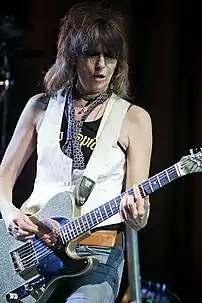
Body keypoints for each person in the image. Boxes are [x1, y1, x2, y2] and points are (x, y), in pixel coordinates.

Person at [0, 1, 152, 302]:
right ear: (72, 57)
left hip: (99, 252)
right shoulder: (40, 107)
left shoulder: (134, 119)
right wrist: (10, 215)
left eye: (109, 57)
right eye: (91, 55)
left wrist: (139, 215)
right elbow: (3, 176)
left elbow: (137, 200)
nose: (101, 66)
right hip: (34, 250)